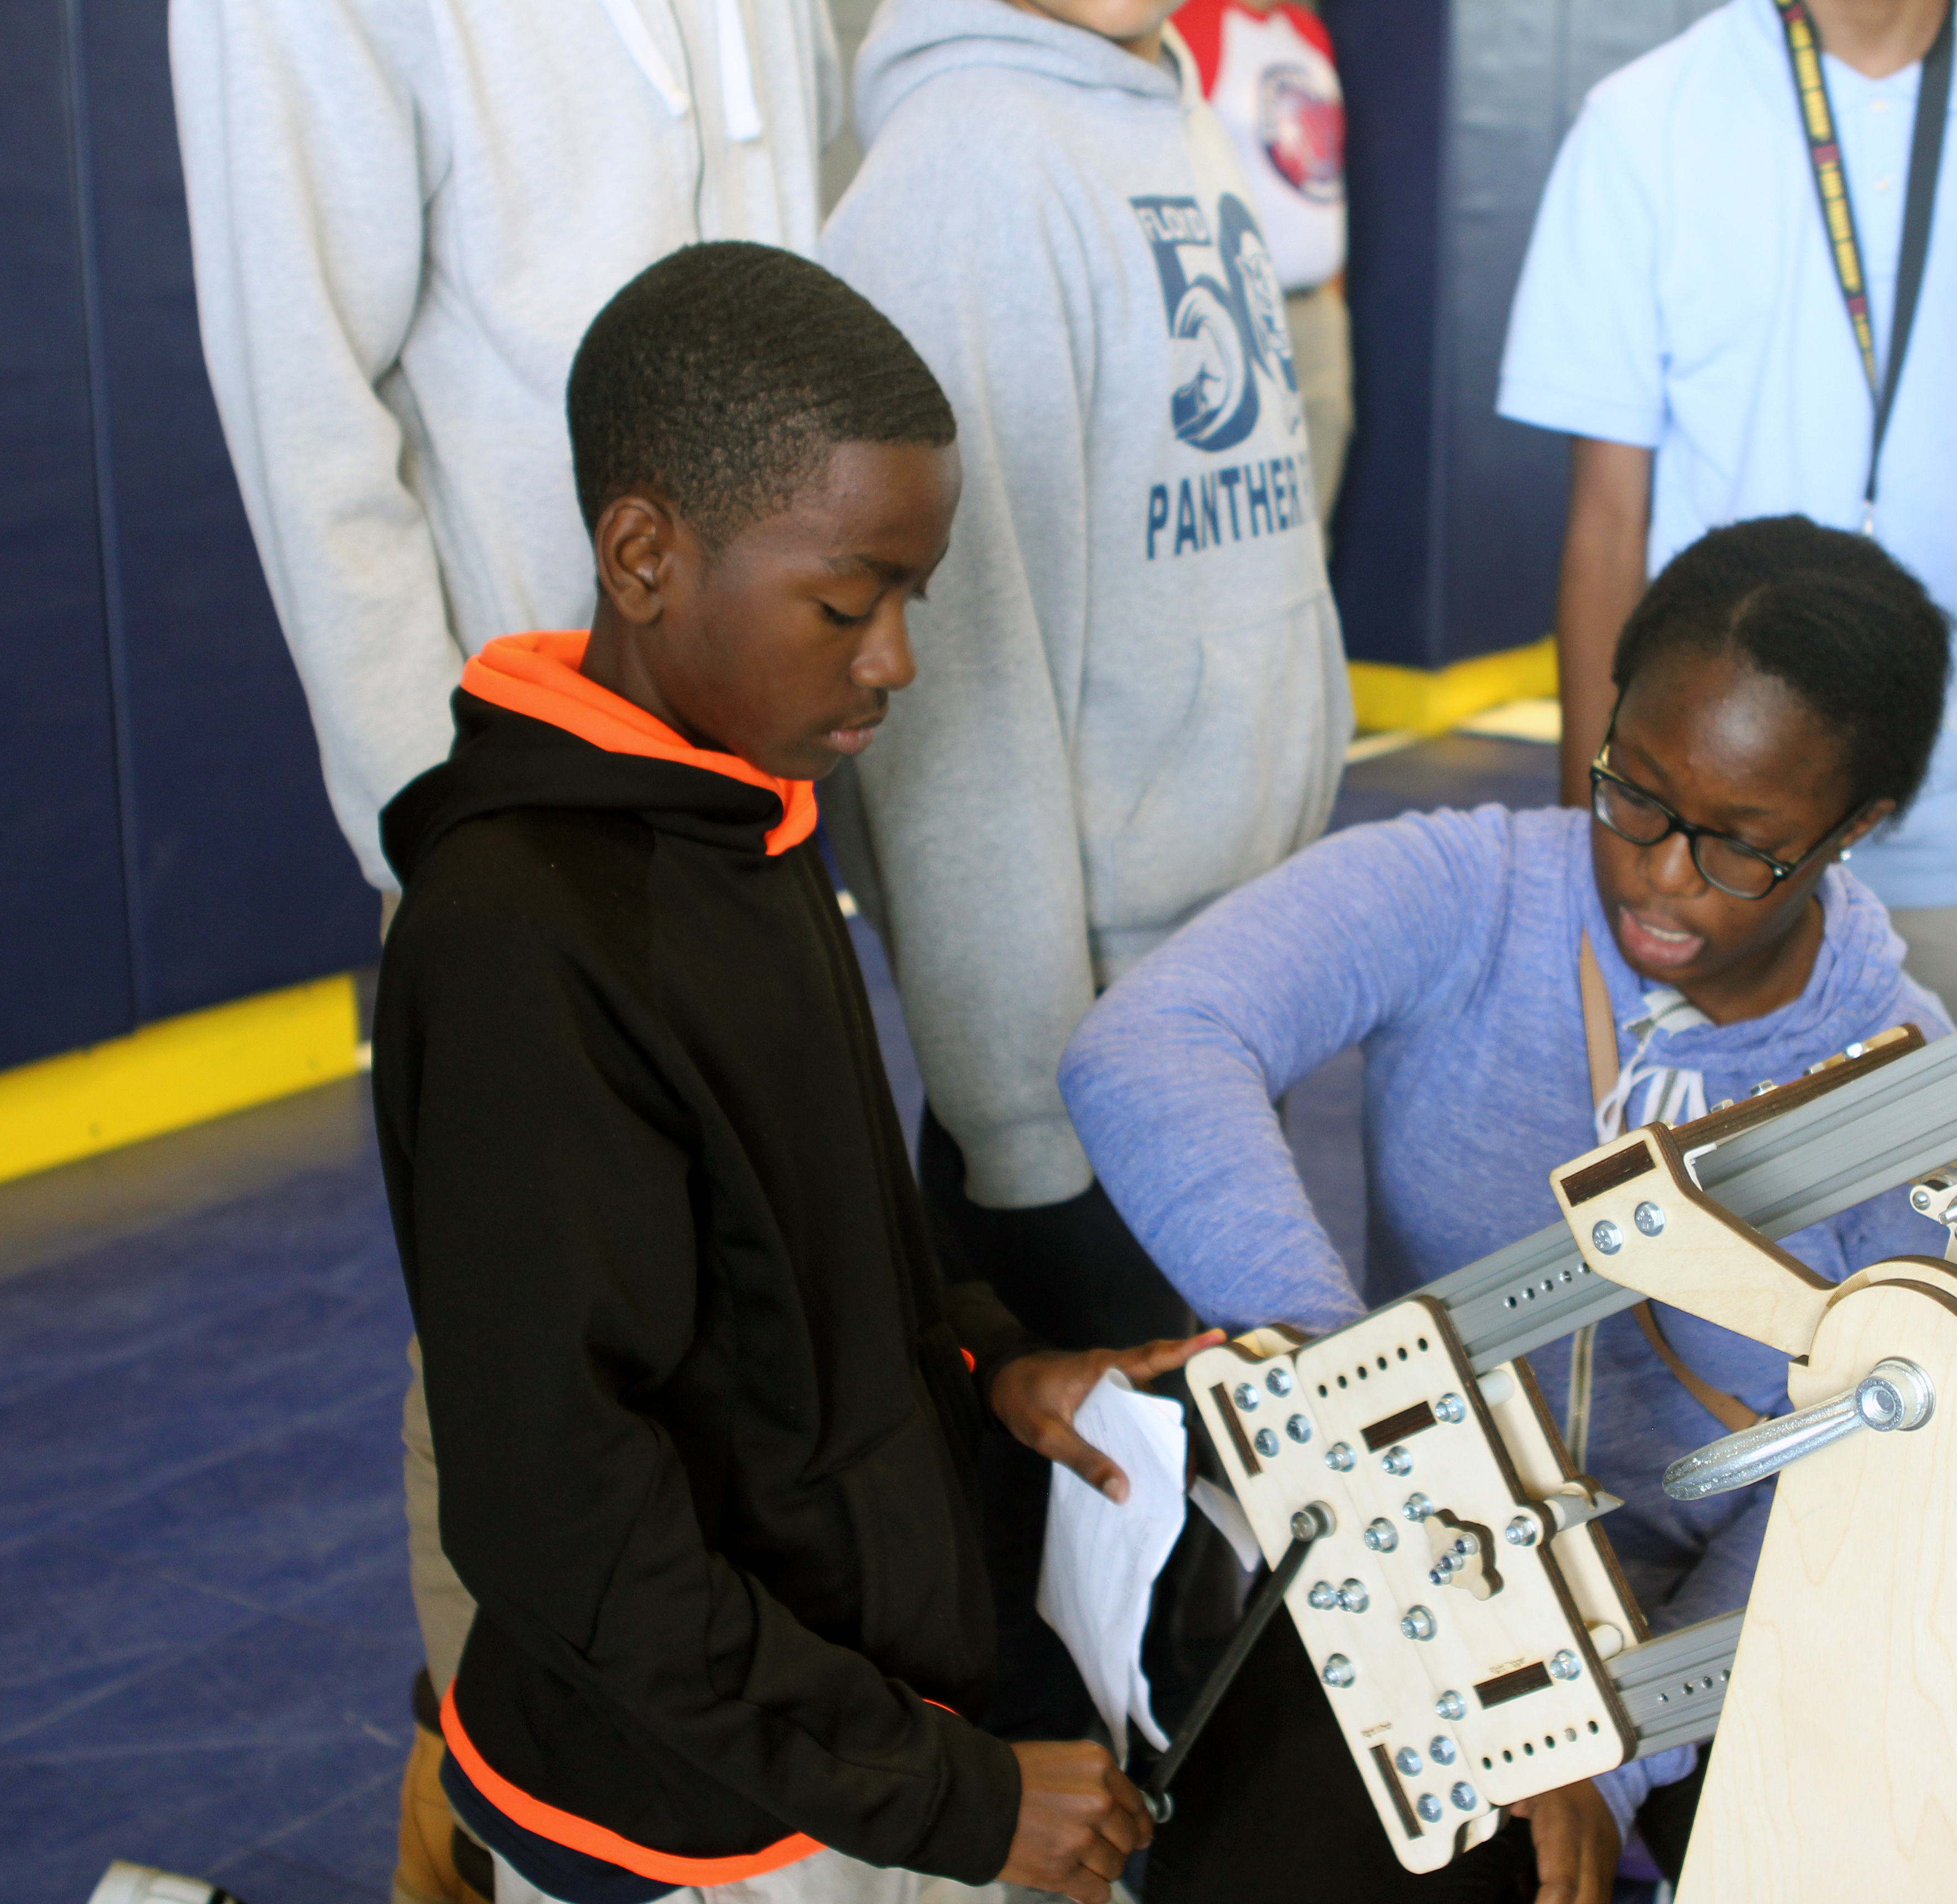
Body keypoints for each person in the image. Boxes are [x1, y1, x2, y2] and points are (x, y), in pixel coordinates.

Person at [375, 241, 1202, 1904]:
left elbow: (797, 1285)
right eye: (850, 602)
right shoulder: (521, 941)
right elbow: (566, 1523)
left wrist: (990, 1374)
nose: (894, 658)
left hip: (852, 1737)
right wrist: (944, 1796)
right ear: (644, 555)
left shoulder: (741, 819)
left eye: (915, 596)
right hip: (709, 1826)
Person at [169, 8, 845, 1894]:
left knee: (761, 1298)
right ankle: (515, 1820)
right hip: (529, 781)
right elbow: (303, 378)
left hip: (755, 759)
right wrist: (451, 820)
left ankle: (742, 1807)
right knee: (534, 1359)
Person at [1060, 518, 1954, 1901]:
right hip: (1425, 1566)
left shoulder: (1902, 1080)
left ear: (1855, 830)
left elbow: (1861, 1477)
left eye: (1739, 848)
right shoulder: (1473, 887)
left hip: (1739, 1621)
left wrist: (1614, 1747)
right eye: (1636, 795)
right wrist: (1348, 1380)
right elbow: (1149, 1044)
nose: (1659, 875)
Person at [819, 0, 1352, 1739]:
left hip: (1214, 1021)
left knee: (1208, 1645)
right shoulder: (963, 172)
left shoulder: (1157, 105)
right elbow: (950, 706)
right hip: (1087, 1076)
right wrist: (1032, 1120)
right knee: (1140, 1678)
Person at [1496, 0, 1957, 1029]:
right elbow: (1606, 526)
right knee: (1732, 1184)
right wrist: (1595, 849)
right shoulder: (1642, 120)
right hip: (1708, 849)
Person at [1170, 0, 1355, 520]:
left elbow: (1321, 172)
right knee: (1239, 512)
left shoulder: (1307, 31)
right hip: (1236, 309)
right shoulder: (1193, 23)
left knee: (1315, 518)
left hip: (1317, 307)